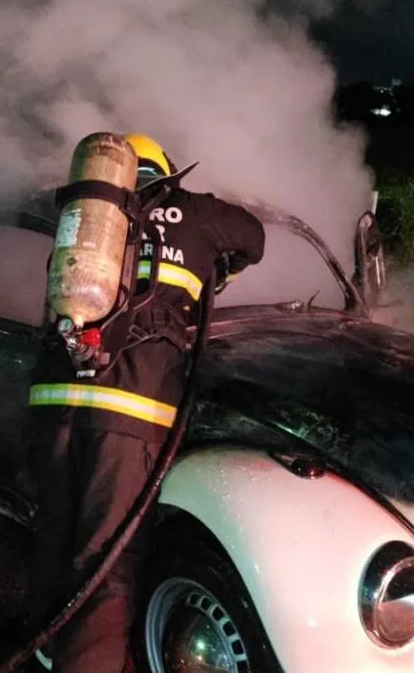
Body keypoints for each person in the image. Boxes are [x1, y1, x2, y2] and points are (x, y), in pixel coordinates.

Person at [26, 133, 266, 672]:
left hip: (53, 402)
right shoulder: (193, 211)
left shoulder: (87, 220)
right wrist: (219, 271)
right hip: (128, 413)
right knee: (107, 559)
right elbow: (254, 237)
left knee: (55, 535)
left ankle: (44, 652)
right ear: (167, 175)